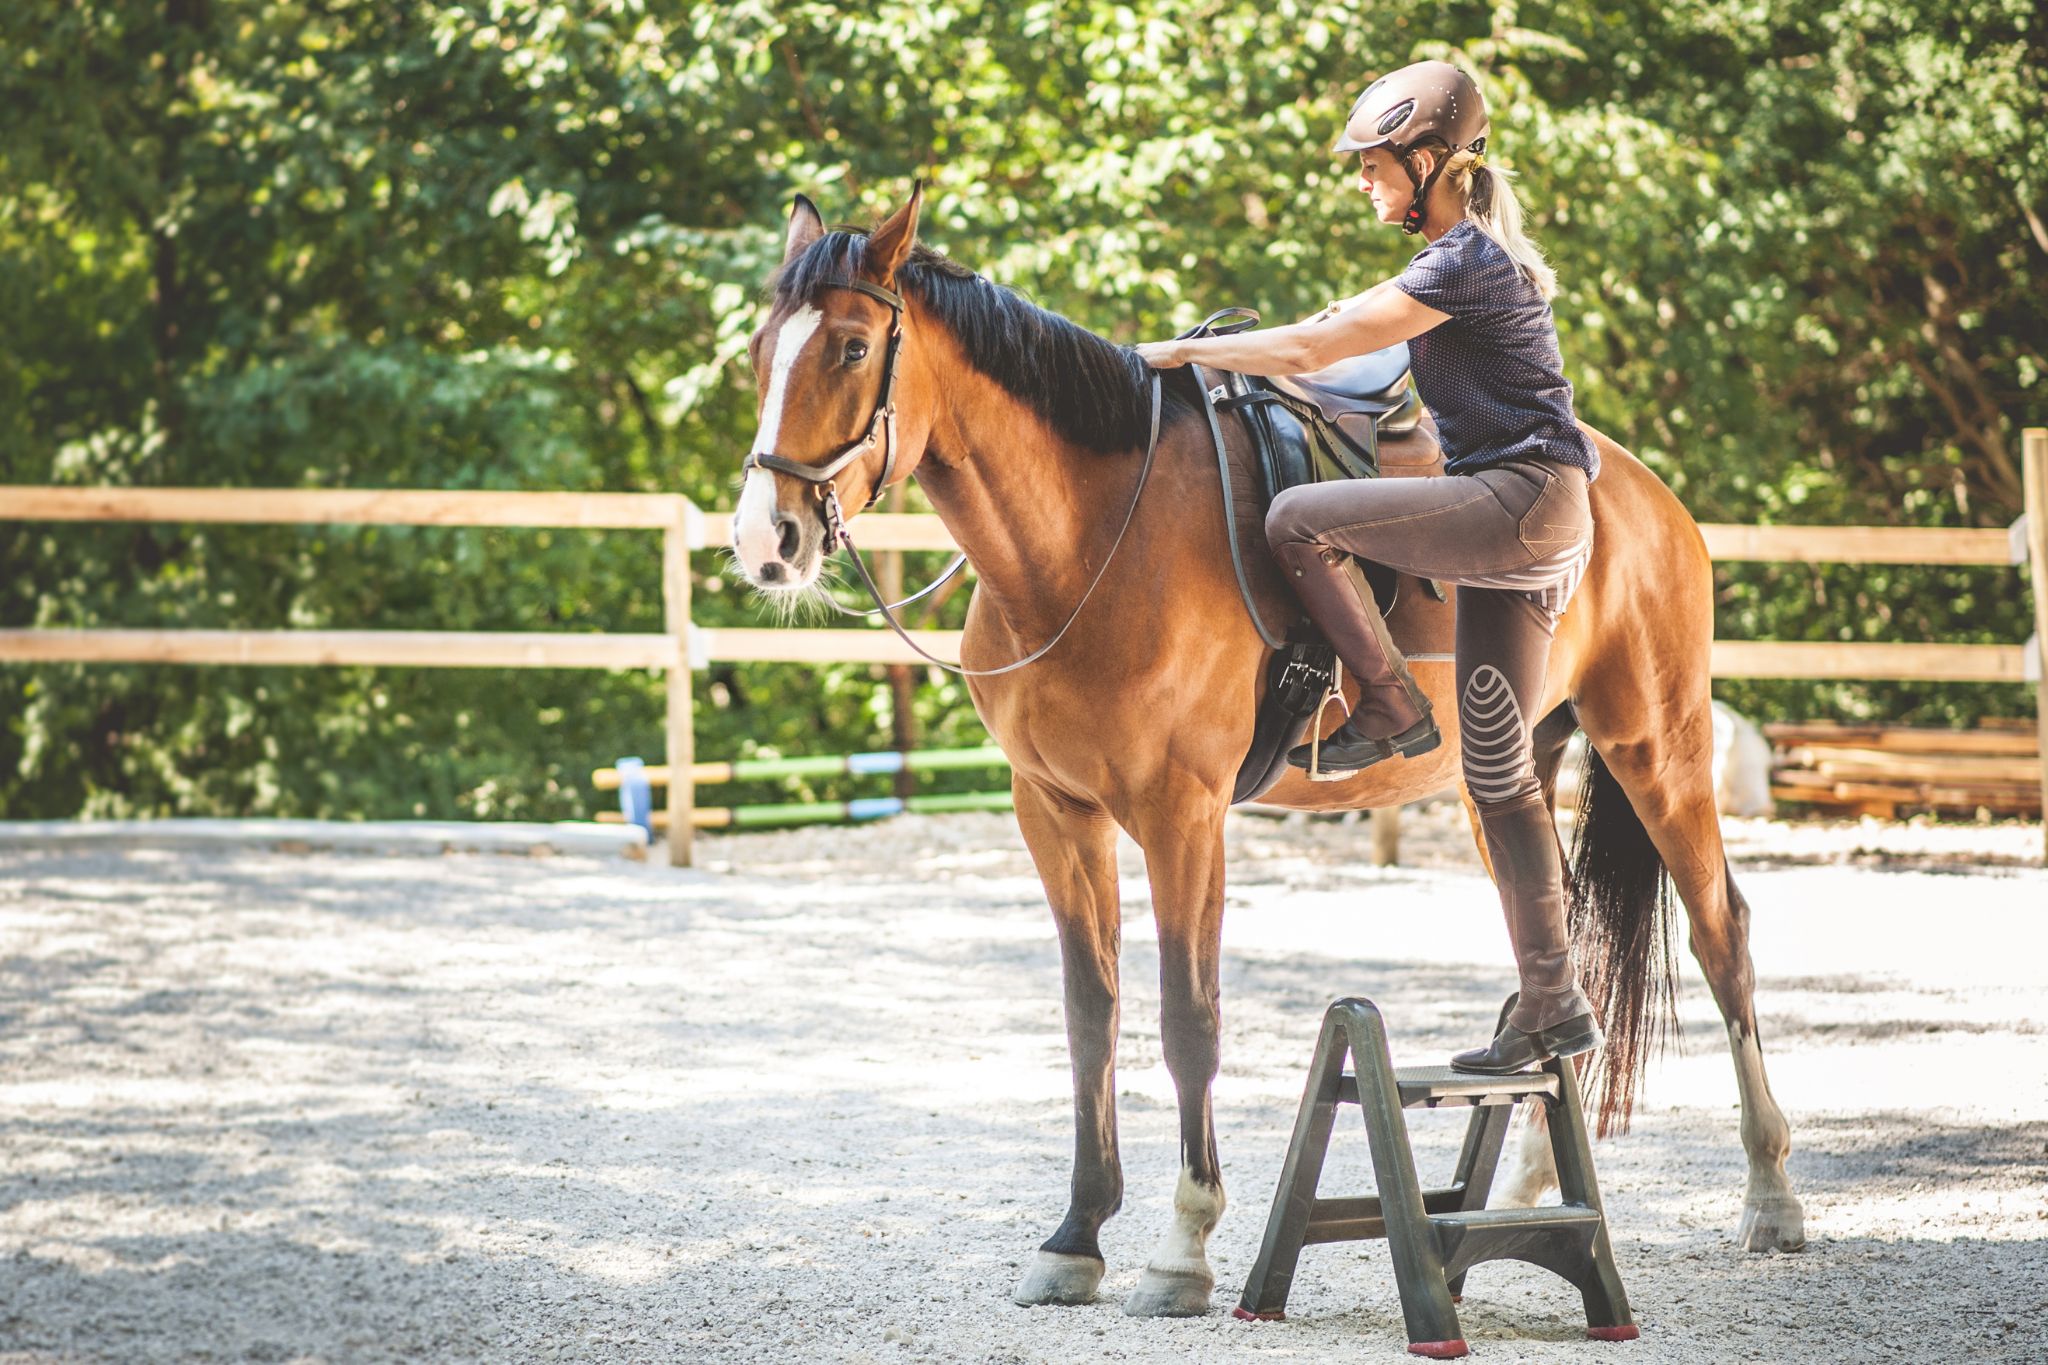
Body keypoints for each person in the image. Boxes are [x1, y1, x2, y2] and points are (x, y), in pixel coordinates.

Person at [1134, 60, 1599, 1075]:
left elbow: (1318, 342)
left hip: (1516, 502)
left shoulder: (1461, 264)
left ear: (1429, 163)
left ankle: (1385, 703)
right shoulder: (1453, 261)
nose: (1360, 180)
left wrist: (1183, 355)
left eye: (1372, 163)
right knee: (1496, 772)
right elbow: (1341, 353)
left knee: (1298, 519)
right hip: (1535, 511)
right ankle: (1555, 1003)